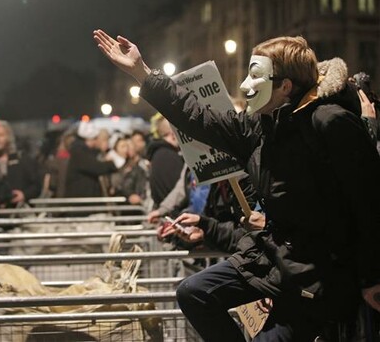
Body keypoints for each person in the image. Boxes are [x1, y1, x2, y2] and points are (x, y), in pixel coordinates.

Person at [94, 29, 380, 341]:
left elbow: (369, 205)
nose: (245, 86)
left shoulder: (330, 123)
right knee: (194, 292)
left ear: (285, 86)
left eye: (256, 76)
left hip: (318, 278)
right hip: (273, 262)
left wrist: (371, 277)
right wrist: (142, 72)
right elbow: (198, 117)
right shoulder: (261, 126)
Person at [0, 120, 42, 207]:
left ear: (9, 137)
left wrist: (24, 194)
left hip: (18, 211)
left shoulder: (22, 159)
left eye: (1, 135)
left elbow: (36, 185)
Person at [64, 121, 119, 198]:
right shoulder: (79, 153)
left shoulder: (84, 152)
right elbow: (97, 168)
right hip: (81, 199)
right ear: (89, 139)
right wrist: (111, 163)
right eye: (96, 138)